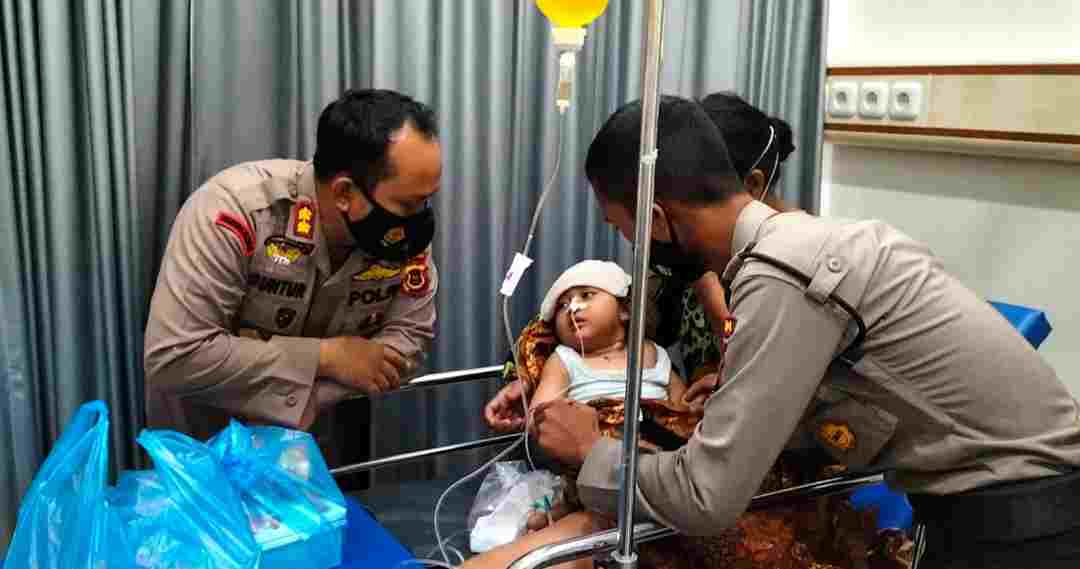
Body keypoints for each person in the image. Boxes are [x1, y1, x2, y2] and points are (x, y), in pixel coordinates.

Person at [531, 95, 1080, 568]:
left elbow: (705, 496)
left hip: (1021, 528)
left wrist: (590, 450)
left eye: (622, 228)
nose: (632, 246)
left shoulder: (782, 275)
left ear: (654, 219)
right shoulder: (810, 241)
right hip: (1017, 505)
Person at [483, 92, 797, 427]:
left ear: (750, 185)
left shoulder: (791, 270)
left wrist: (707, 285)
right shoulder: (676, 260)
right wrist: (528, 376)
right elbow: (601, 319)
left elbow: (772, 383)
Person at [144, 89, 440, 441]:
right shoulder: (237, 212)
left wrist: (315, 396)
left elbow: (409, 336)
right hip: (202, 449)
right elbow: (175, 356)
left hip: (320, 448)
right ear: (344, 193)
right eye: (408, 204)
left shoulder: (399, 234)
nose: (418, 218)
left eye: (425, 201)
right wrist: (326, 357)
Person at [464, 260, 692, 569]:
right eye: (562, 305)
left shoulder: (657, 356)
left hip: (658, 469)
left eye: (587, 295)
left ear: (625, 310)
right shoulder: (566, 359)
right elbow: (542, 419)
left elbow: (684, 415)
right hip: (595, 471)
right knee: (581, 527)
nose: (573, 308)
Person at [650, 92, 798, 408]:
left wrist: (708, 288)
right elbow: (633, 324)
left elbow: (740, 343)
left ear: (752, 186)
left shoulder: (792, 261)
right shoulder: (686, 244)